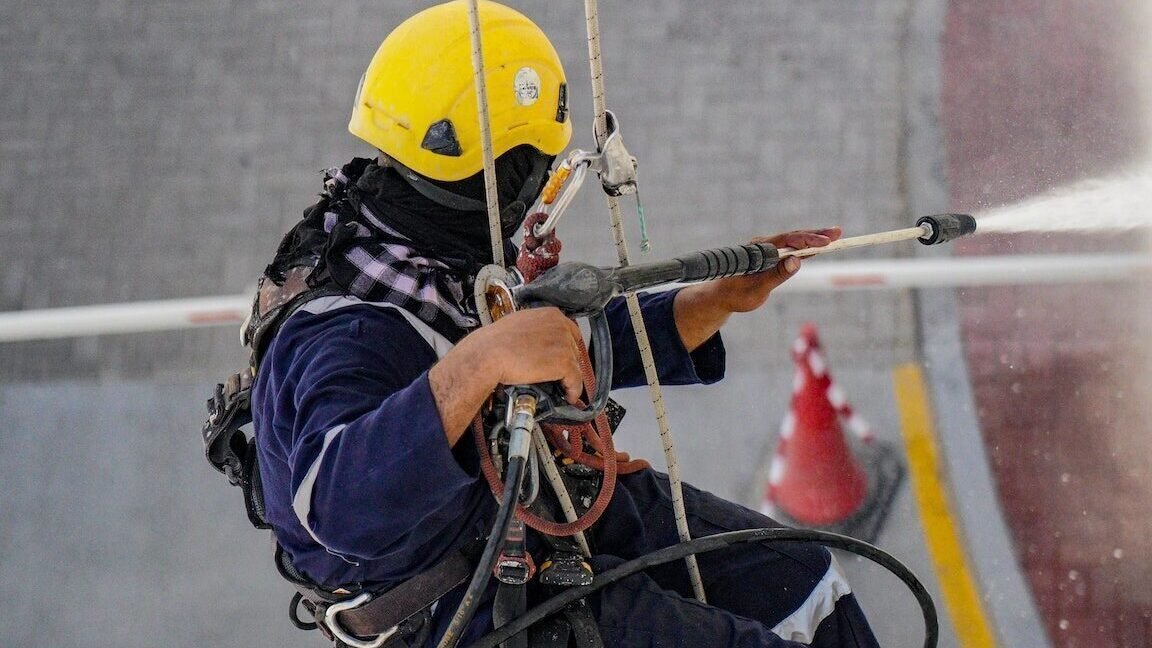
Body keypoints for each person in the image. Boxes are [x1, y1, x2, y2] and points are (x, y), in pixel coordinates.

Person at [248, 1, 880, 646]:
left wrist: (709, 303)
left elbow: (553, 353)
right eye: (537, 168)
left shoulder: (422, 253)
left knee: (804, 585)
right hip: (456, 596)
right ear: (503, 174)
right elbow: (341, 507)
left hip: (527, 510)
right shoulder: (348, 332)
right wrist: (484, 359)